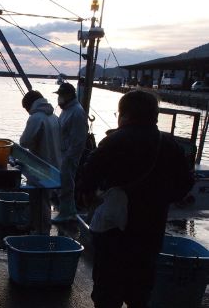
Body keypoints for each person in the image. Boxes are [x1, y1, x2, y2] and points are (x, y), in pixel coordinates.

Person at [81, 90, 193, 308]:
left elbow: (88, 175)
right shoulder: (170, 145)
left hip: (113, 231)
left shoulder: (113, 141)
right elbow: (186, 183)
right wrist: (161, 199)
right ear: (155, 115)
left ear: (125, 114)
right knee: (140, 292)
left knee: (107, 289)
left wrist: (92, 197)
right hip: (150, 230)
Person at [20, 90, 62, 234]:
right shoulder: (54, 117)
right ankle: (38, 227)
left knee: (39, 201)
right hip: (55, 167)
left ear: (29, 106)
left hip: (40, 168)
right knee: (44, 200)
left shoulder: (36, 118)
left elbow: (24, 142)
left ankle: (42, 232)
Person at [52, 82, 88, 223]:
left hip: (69, 156)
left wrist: (69, 158)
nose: (59, 98)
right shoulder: (66, 110)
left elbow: (78, 141)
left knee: (67, 184)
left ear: (68, 96)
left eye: (61, 95)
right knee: (62, 185)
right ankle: (67, 211)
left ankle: (67, 214)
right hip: (61, 155)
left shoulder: (77, 112)